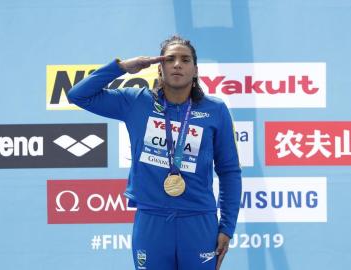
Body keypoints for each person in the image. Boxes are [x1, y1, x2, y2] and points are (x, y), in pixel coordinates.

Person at [68, 35, 242, 270]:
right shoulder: (136, 102)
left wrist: (227, 227)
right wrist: (121, 68)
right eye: (169, 59)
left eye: (185, 59)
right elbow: (78, 95)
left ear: (195, 70)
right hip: (152, 222)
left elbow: (229, 171)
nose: (177, 64)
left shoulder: (215, 110)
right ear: (159, 69)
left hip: (199, 221)